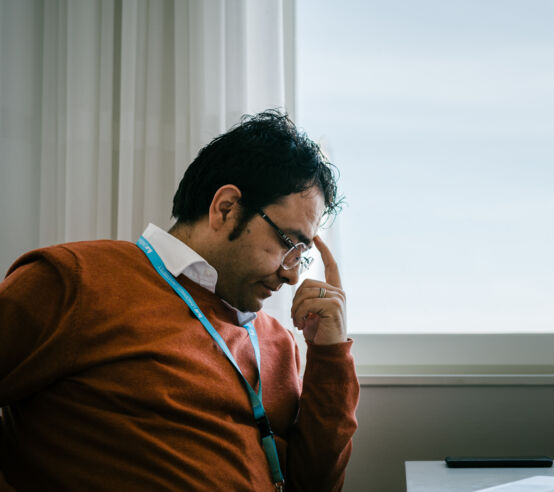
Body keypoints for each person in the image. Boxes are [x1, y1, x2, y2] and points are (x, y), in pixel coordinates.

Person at [0, 110, 360, 491]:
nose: (291, 275)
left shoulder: (278, 344)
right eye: (289, 244)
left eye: (302, 256)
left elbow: (315, 486)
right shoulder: (74, 281)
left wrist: (331, 355)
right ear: (226, 208)